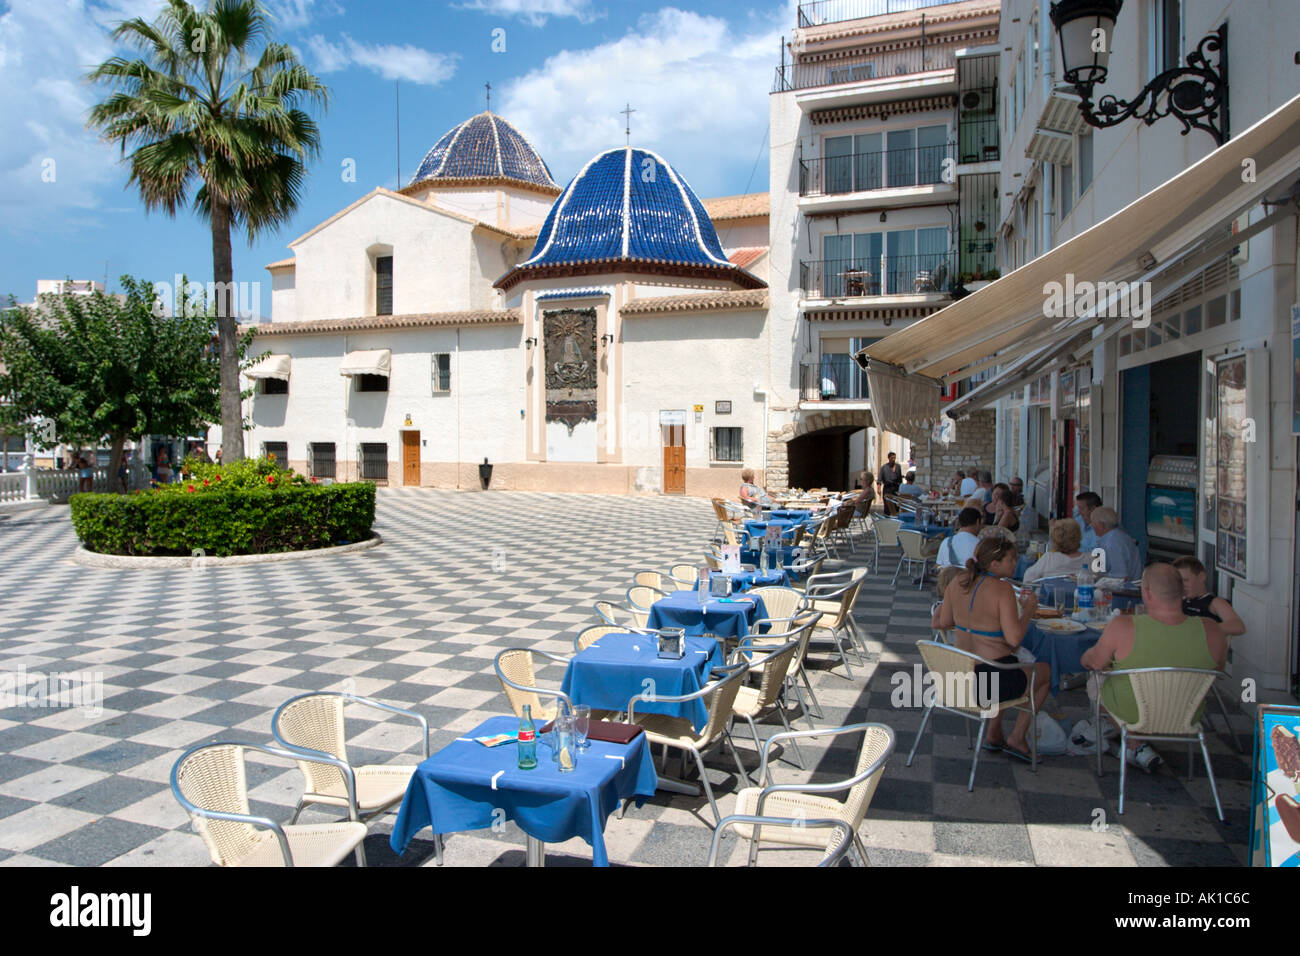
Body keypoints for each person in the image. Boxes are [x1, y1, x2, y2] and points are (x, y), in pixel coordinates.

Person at [1081, 563, 1228, 772]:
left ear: (1147, 593)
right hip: (1188, 713)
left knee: (1095, 683)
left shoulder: (1123, 626)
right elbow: (1218, 669)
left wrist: (1086, 657)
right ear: (1182, 592)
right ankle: (1137, 746)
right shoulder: (1212, 630)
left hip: (1134, 714)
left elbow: (1092, 663)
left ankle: (1134, 743)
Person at [931, 536, 1050, 759]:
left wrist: (971, 619)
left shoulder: (957, 582)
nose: (1016, 563)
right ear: (994, 564)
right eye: (1011, 559)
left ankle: (994, 734)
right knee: (1043, 672)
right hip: (989, 684)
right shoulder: (1002, 589)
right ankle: (1017, 736)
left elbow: (944, 622)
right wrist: (1028, 610)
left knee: (1007, 666)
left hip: (955, 678)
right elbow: (1014, 639)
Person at [1172, 556, 1246, 636]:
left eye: (1186, 580)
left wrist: (1204, 630)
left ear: (1201, 577)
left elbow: (1238, 626)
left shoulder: (1215, 602)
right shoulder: (1179, 601)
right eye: (1179, 582)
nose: (1182, 585)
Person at [1023, 518, 1085, 583]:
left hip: (1051, 592)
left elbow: (1028, 578)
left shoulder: (1049, 558)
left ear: (1055, 539)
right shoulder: (1089, 559)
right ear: (1079, 536)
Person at [1091, 506, 1142, 581]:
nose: (1091, 526)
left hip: (1123, 590)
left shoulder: (1113, 542)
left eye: (1093, 523)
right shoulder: (1119, 536)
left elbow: (1120, 577)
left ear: (1102, 525)